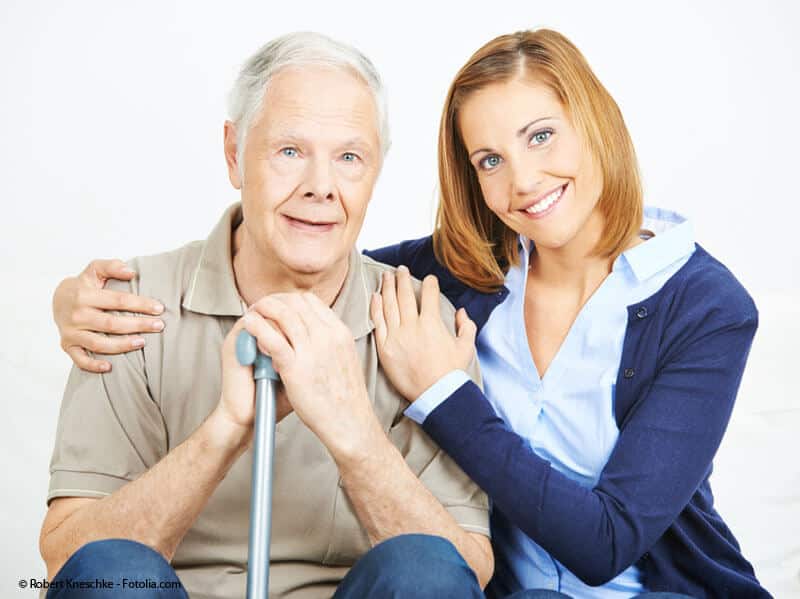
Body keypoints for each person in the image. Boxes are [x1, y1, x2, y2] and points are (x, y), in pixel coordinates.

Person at [50, 29, 771, 599]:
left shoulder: (701, 307)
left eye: (541, 135)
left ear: (596, 124)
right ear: (236, 152)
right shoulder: (462, 274)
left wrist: (427, 401)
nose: (521, 179)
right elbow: (322, 249)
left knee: (429, 570)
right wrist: (68, 300)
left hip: (654, 587)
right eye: (488, 159)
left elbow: (579, 544)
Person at [40, 32, 496, 599]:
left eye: (349, 157)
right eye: (290, 151)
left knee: (427, 566)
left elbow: (464, 572)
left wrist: (352, 429)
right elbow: (69, 562)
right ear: (234, 154)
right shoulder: (125, 307)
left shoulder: (421, 326)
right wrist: (227, 430)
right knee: (110, 573)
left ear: (377, 170)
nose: (321, 188)